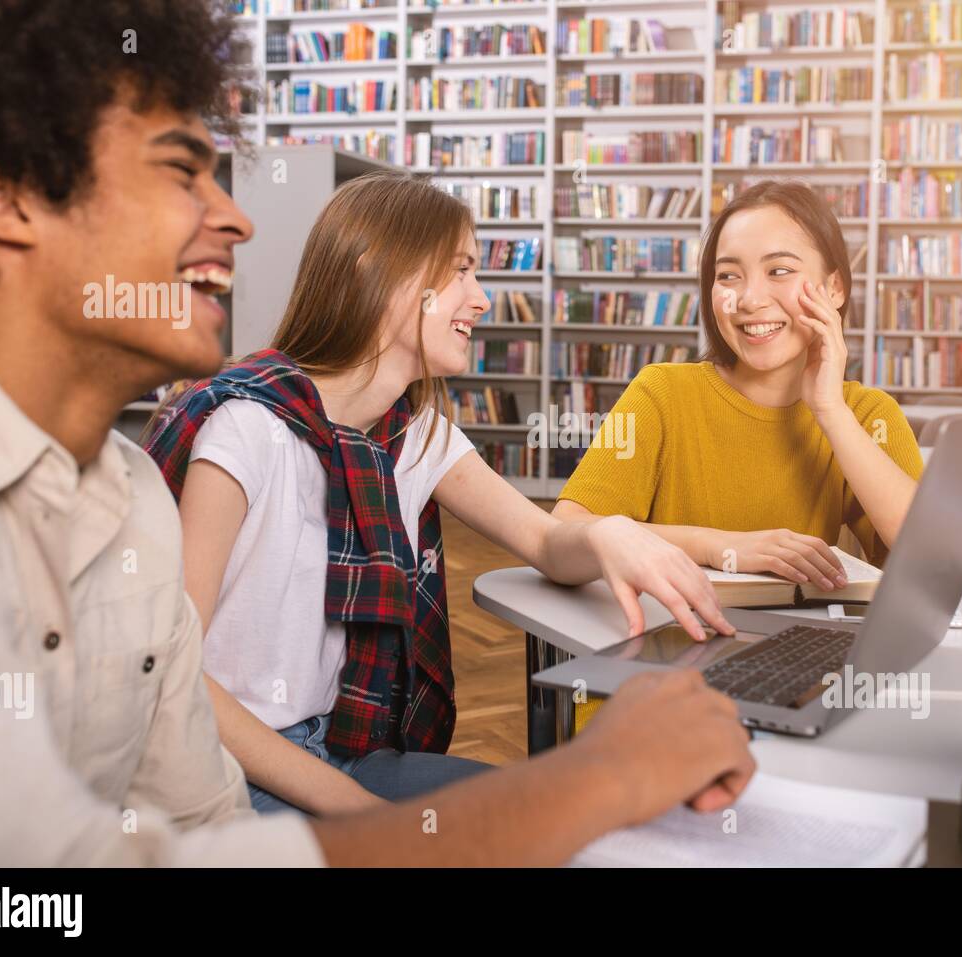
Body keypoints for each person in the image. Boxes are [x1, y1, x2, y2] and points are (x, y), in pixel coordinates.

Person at [0, 0, 755, 866]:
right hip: (286, 765)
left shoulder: (134, 491)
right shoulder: (242, 432)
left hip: (327, 754)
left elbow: (192, 810)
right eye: (182, 171)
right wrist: (572, 783)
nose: (240, 219)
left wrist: (627, 541)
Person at [142, 170, 736, 815]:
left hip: (346, 749)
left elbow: (543, 540)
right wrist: (359, 810)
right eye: (460, 270)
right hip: (223, 768)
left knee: (560, 814)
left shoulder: (417, 432)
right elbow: (173, 677)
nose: (481, 299)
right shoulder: (246, 430)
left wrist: (609, 532)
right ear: (380, 271)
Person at [554, 180, 923, 584]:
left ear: (834, 288)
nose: (748, 299)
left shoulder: (867, 414)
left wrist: (830, 411)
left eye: (779, 270)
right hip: (667, 637)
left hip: (796, 641)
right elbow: (563, 537)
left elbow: (929, 559)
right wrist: (718, 546)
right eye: (728, 276)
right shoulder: (660, 393)